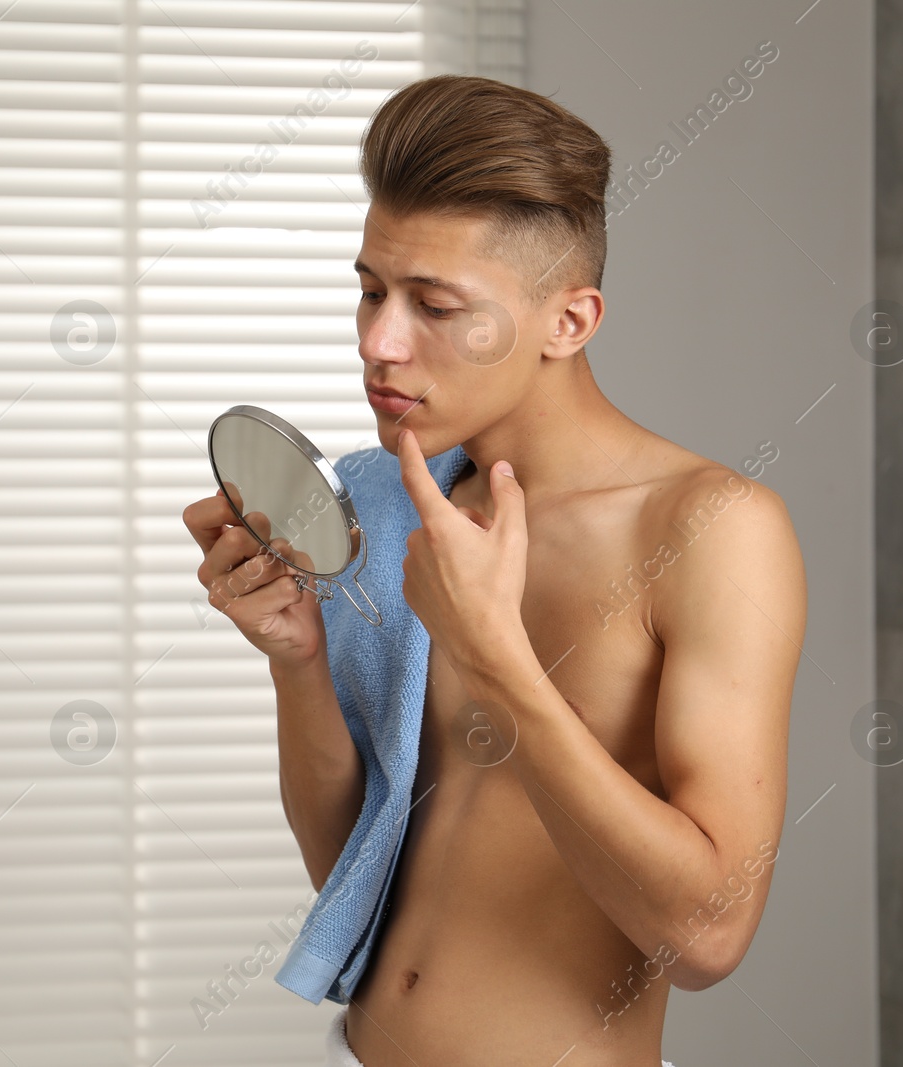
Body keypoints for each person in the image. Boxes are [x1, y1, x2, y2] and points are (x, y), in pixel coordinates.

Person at [182, 74, 806, 1067]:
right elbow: (349, 865)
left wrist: (495, 655)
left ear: (568, 321)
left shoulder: (710, 528)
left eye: (434, 305)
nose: (378, 343)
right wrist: (295, 658)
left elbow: (708, 934)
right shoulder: (388, 507)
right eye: (370, 291)